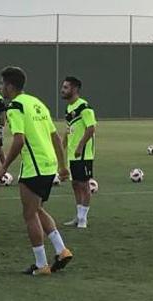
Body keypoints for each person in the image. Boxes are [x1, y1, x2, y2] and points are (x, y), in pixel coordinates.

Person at [0, 67, 73, 276]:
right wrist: (62, 166)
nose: (0, 87)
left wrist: (3, 167)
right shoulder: (37, 103)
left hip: (34, 167)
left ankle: (41, 265)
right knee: (38, 209)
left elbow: (19, 140)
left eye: (2, 84)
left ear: (10, 86)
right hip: (49, 164)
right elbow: (55, 137)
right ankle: (62, 250)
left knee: (29, 214)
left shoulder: (15, 107)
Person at [60, 76, 97, 229]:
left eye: (66, 87)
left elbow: (91, 128)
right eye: (63, 87)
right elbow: (69, 128)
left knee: (84, 185)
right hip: (72, 153)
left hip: (83, 153)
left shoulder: (84, 107)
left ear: (75, 89)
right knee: (75, 184)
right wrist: (63, 143)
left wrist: (80, 146)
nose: (62, 90)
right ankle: (78, 216)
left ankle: (83, 219)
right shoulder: (69, 108)